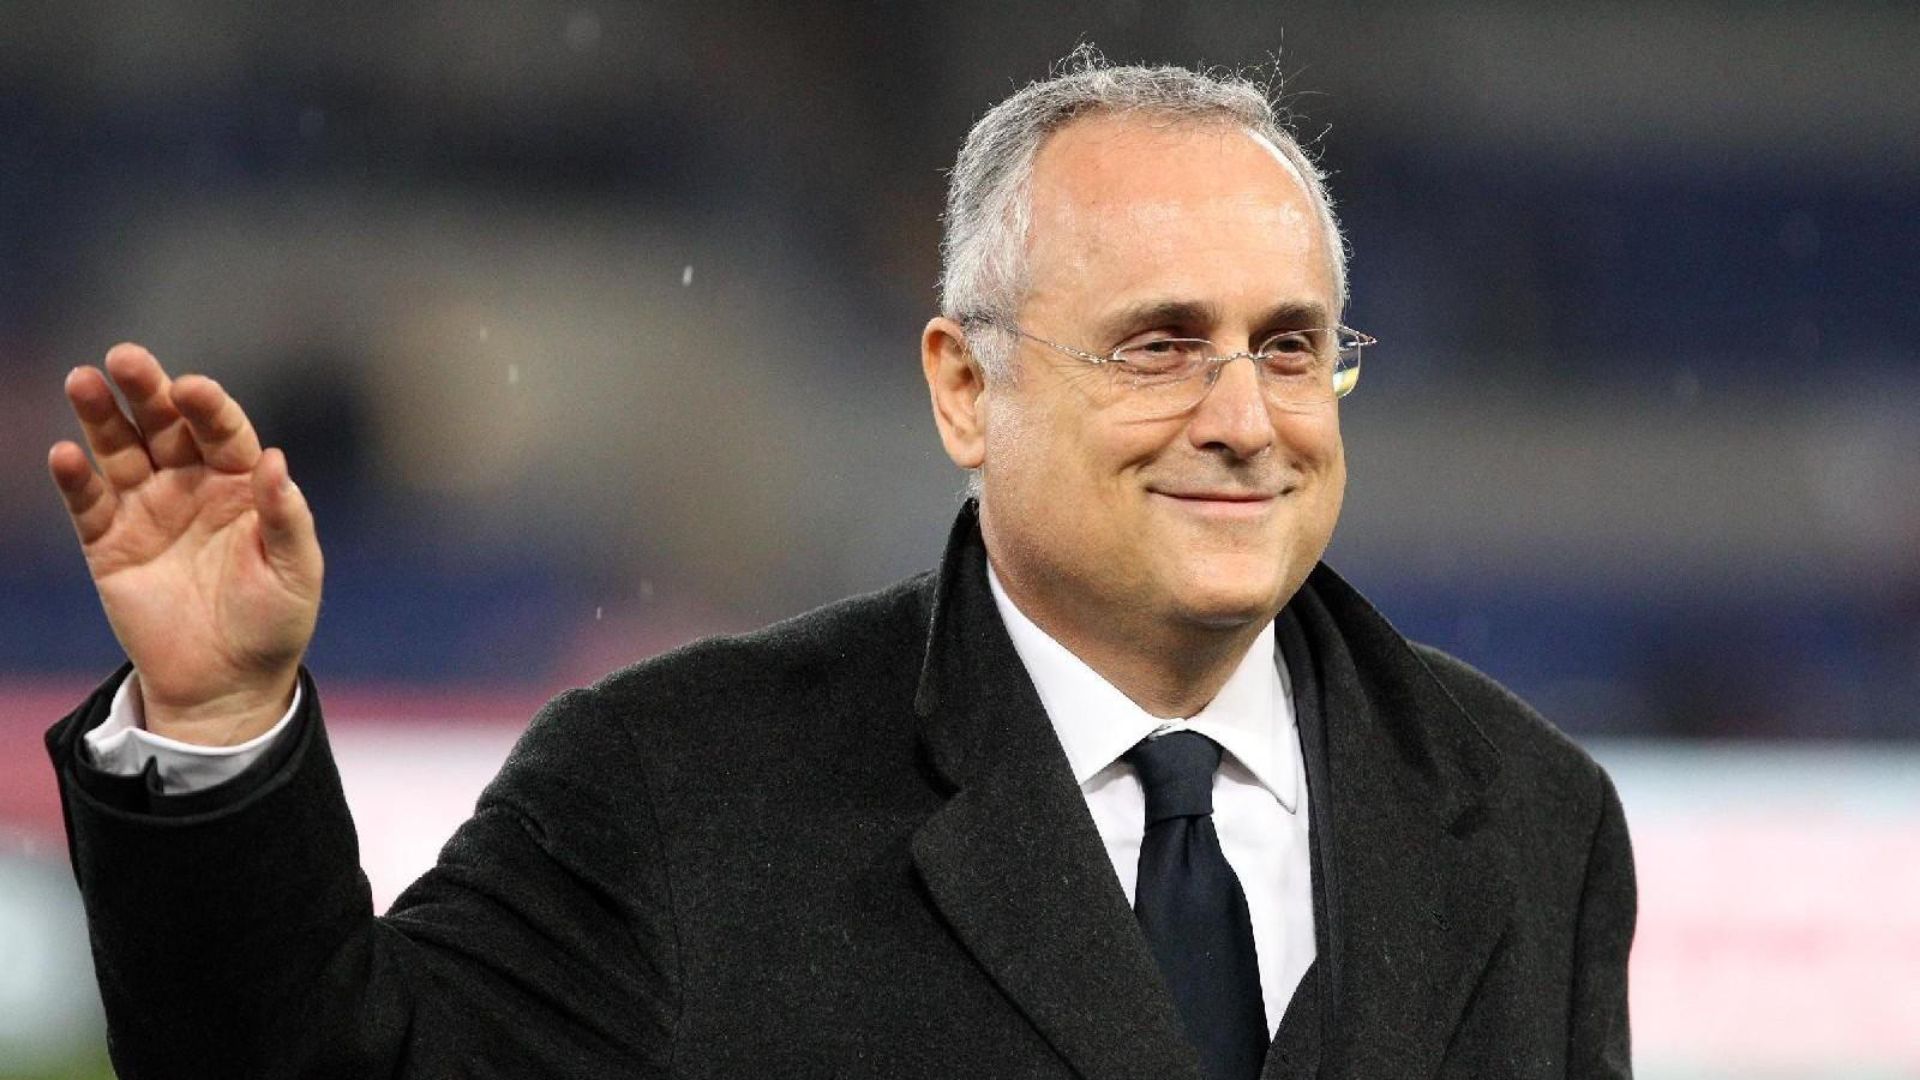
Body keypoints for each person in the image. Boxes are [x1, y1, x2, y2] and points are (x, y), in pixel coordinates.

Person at [43, 55, 1635, 1079]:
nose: (1242, 419)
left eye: (1289, 347)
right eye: (1159, 346)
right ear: (964, 388)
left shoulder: (1530, 818)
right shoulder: (677, 787)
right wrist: (219, 720)